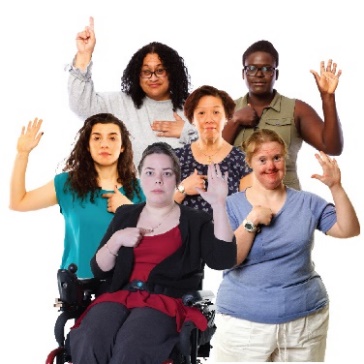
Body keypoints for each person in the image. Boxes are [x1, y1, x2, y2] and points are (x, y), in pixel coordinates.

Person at [68, 142, 238, 364]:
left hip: (165, 303)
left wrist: (219, 205)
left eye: (166, 173)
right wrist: (117, 240)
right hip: (117, 297)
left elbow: (223, 259)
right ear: (141, 178)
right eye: (150, 172)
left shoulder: (196, 220)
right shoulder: (125, 214)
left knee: (131, 347)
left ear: (177, 180)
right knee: (91, 340)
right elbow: (98, 268)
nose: (158, 179)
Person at [212, 129, 360, 362]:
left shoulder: (307, 202)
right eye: (262, 159)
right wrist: (251, 222)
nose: (270, 166)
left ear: (285, 159)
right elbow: (227, 259)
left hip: (304, 324)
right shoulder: (230, 206)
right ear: (250, 162)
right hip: (243, 327)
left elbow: (349, 229)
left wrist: (336, 187)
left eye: (277, 158)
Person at [9, 113, 145, 279]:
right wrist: (22, 154)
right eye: (96, 138)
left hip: (125, 286)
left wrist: (128, 210)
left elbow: (160, 242)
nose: (104, 144)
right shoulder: (67, 184)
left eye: (112, 138)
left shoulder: (142, 189)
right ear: (87, 145)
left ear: (123, 146)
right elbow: (19, 202)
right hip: (78, 285)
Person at [67, 16, 198, 167]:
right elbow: (81, 106)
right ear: (136, 74)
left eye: (160, 70)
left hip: (180, 190)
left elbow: (215, 153)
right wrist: (83, 56)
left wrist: (187, 132)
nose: (153, 78)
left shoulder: (193, 110)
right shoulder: (119, 103)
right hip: (127, 190)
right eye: (146, 72)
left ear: (172, 72)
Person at [222, 40, 343, 190]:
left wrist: (327, 97)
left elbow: (332, 147)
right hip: (241, 202)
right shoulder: (228, 110)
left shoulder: (296, 109)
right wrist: (235, 120)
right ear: (243, 73)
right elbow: (212, 157)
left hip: (287, 202)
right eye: (252, 68)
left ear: (276, 74)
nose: (259, 74)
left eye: (267, 69)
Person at [174, 85, 251, 215]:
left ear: (226, 117)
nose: (209, 120)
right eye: (201, 113)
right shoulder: (175, 158)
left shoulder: (241, 159)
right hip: (184, 234)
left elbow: (247, 213)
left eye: (216, 112)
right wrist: (182, 189)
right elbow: (158, 213)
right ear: (192, 119)